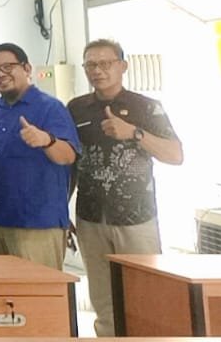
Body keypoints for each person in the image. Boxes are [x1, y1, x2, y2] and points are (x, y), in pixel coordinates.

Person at [68, 39, 183, 336]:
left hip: (136, 219)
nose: (98, 70)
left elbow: (175, 155)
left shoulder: (145, 107)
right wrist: (60, 210)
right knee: (104, 301)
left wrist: (134, 132)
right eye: (91, 65)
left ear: (123, 66)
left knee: (147, 296)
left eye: (105, 63)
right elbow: (70, 163)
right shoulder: (76, 108)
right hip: (90, 218)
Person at [0, 43, 79, 270]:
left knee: (36, 290)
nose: (0, 74)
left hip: (35, 224)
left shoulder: (50, 108)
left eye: (7, 66)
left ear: (27, 68)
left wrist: (47, 140)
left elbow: (68, 156)